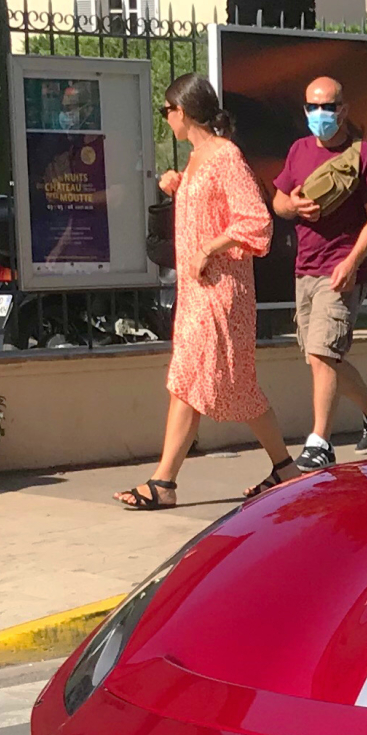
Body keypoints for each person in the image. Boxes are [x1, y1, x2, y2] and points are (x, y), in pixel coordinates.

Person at [115, 74, 298, 508]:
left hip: (221, 288)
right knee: (226, 384)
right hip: (200, 289)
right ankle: (286, 468)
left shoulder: (225, 156)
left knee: (189, 378)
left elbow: (257, 221)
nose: (166, 120)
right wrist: (180, 186)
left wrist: (210, 248)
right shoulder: (199, 158)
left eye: (167, 111)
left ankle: (164, 483)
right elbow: (211, 205)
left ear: (185, 110)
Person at [271, 76, 367, 470]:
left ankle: (319, 441)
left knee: (324, 352)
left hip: (340, 269)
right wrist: (292, 206)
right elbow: (278, 201)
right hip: (304, 269)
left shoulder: (365, 155)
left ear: (344, 108)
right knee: (321, 358)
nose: (320, 114)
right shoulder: (298, 150)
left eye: (327, 106)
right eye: (312, 106)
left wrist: (351, 262)